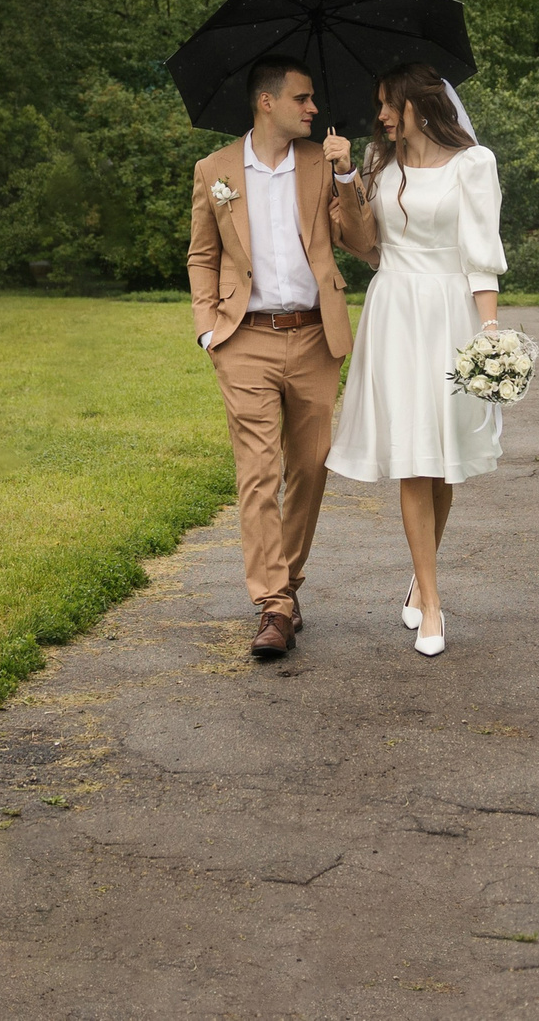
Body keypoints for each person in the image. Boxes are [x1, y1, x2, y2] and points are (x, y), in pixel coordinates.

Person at [187, 57, 375, 662]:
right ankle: (271, 602)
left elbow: (363, 244)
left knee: (312, 466)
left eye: (314, 98)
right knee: (258, 471)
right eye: (302, 98)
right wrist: (206, 329)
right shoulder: (214, 170)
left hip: (316, 337)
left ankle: (286, 589)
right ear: (267, 103)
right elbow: (200, 255)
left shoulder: (325, 163)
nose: (313, 108)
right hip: (244, 339)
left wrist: (348, 179)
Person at [326, 62, 507, 657]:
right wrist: (346, 174)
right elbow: (365, 246)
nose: (379, 115)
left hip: (451, 312)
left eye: (388, 103)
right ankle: (431, 601)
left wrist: (490, 334)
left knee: (442, 462)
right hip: (396, 313)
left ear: (419, 105)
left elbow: (481, 256)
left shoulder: (473, 166)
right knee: (412, 456)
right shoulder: (381, 167)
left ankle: (417, 573)